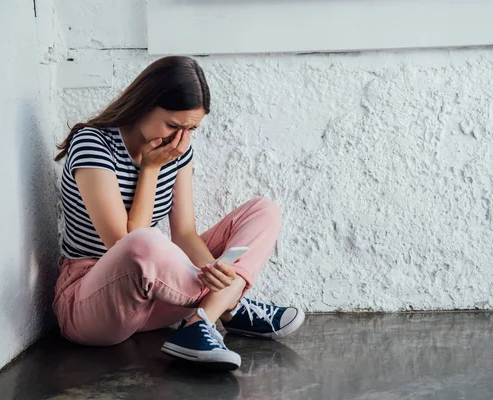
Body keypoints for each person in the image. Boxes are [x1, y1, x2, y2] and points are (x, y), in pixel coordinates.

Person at [51, 55, 305, 371]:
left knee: (262, 211)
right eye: (172, 125)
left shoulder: (178, 150)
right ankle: (230, 304)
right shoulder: (93, 143)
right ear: (144, 104)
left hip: (155, 298)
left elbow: (184, 233)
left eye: (191, 129)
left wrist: (215, 270)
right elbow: (123, 244)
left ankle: (201, 321)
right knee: (148, 243)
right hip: (92, 302)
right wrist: (151, 169)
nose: (179, 138)